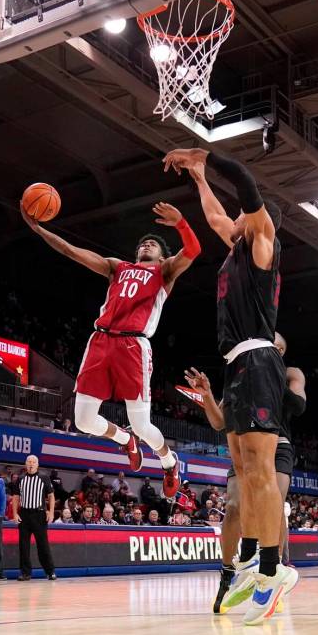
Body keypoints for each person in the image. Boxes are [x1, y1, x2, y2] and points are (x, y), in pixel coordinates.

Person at [164, 147, 296, 624]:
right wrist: (198, 178)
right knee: (242, 469)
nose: (234, 217)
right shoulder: (238, 243)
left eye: (244, 212)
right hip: (236, 366)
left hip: (260, 360)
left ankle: (272, 569)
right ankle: (255, 565)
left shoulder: (263, 241)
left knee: (260, 471)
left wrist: (208, 157)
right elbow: (218, 213)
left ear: (259, 218)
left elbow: (243, 187)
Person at [22, 200, 201, 498]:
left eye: (153, 244)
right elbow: (71, 251)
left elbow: (193, 251)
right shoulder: (117, 267)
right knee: (83, 421)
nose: (147, 245)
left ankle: (169, 464)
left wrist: (181, 222)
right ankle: (124, 441)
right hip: (101, 341)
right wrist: (39, 229)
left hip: (134, 345)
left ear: (161, 256)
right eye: (144, 243)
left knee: (142, 425)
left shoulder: (165, 272)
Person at [185, 332, 305, 615]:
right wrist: (207, 397)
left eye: (277, 345)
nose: (272, 345)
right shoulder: (239, 371)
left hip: (278, 445)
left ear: (280, 351)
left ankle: (274, 569)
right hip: (244, 446)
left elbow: (298, 406)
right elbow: (218, 422)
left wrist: (268, 377)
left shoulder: (290, 373)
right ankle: (230, 572)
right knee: (234, 505)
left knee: (272, 504)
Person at [12, 455, 56, 581]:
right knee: (23, 546)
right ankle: (25, 573)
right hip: (24, 515)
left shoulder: (44, 477)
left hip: (39, 514)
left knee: (43, 545)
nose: (31, 464)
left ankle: (50, 571)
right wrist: (15, 513)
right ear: (25, 464)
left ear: (37, 464)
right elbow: (15, 497)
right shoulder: (20, 479)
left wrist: (51, 512)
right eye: (29, 462)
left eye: (33, 462)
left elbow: (51, 496)